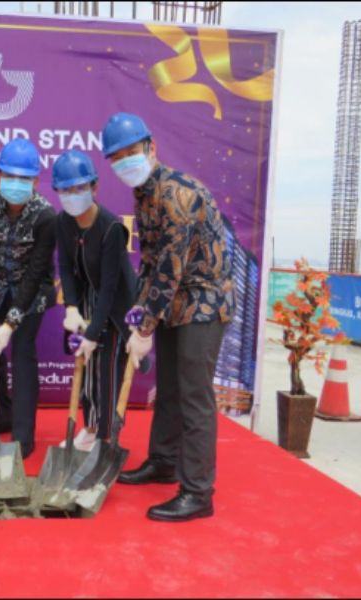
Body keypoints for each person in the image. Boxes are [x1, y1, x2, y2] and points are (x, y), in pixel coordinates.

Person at [102, 112, 235, 522]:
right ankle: (163, 461)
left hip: (203, 304)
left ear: (151, 148)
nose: (126, 162)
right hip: (173, 303)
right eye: (117, 158)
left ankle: (197, 492)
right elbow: (151, 261)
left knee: (194, 395)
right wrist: (141, 311)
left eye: (131, 153)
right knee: (170, 389)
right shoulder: (144, 193)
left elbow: (171, 266)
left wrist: (145, 328)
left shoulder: (178, 193)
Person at [0, 138, 57, 459]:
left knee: (21, 351)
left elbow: (36, 274)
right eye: (10, 176)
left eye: (25, 179)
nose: (16, 184)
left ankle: (23, 435)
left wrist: (11, 322)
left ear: (35, 181)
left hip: (31, 291)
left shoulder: (46, 216)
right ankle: (0, 415)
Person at [53, 149, 139, 450]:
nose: (72, 195)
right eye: (65, 189)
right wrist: (72, 308)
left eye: (79, 188)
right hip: (88, 298)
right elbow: (65, 265)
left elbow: (111, 288)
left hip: (115, 309)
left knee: (106, 371)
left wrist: (93, 332)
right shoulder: (63, 221)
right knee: (87, 369)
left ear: (94, 187)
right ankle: (89, 428)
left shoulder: (111, 228)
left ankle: (106, 436)